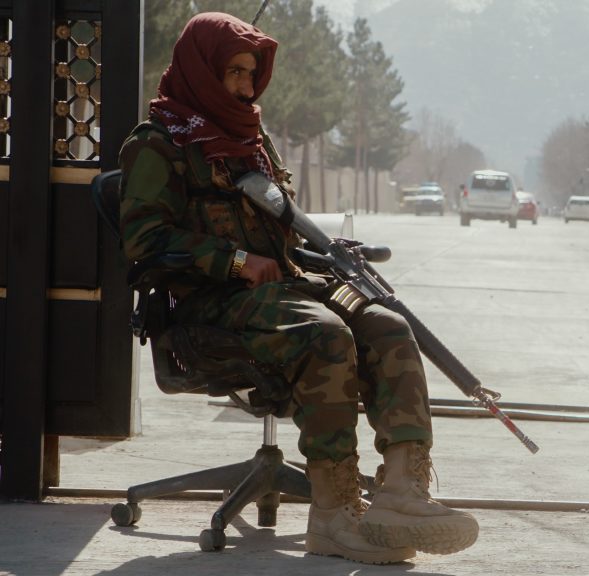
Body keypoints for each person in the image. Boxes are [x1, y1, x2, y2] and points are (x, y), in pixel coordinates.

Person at [118, 13, 477, 565]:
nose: (244, 86)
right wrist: (235, 261)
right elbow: (144, 242)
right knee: (327, 334)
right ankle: (334, 514)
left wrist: (325, 254)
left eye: (251, 75)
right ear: (202, 69)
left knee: (385, 323)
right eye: (234, 72)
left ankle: (403, 492)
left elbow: (280, 225)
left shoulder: (248, 140)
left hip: (280, 292)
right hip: (206, 308)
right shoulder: (158, 144)